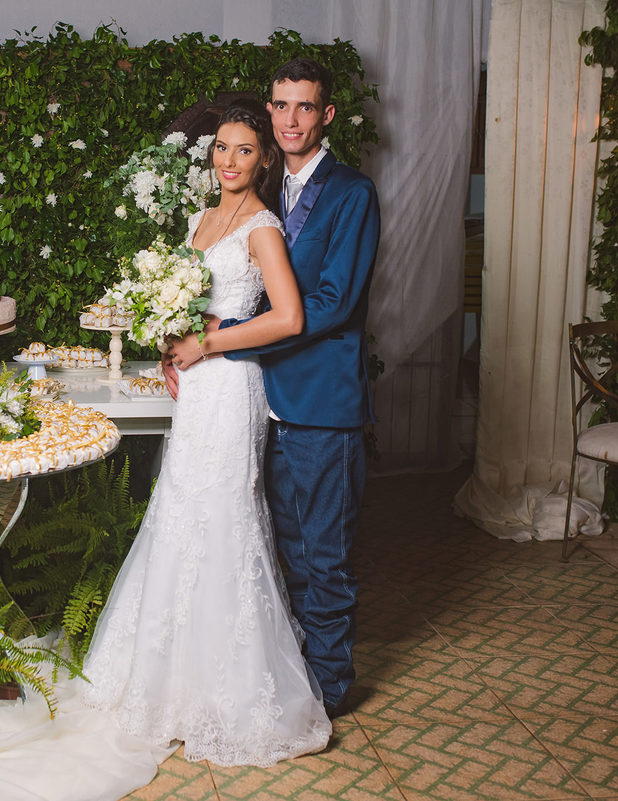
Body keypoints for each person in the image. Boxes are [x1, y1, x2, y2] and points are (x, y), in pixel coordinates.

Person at [82, 100, 332, 767]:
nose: (230, 160)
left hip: (231, 389)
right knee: (179, 513)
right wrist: (171, 345)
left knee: (224, 519)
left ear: (264, 158)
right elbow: (187, 303)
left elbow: (289, 317)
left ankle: (227, 694)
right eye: (222, 147)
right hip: (194, 389)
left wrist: (209, 342)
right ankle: (167, 683)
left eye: (245, 149)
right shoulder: (198, 220)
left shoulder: (263, 227)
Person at [165, 57, 381, 719]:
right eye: (281, 106)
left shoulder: (352, 193)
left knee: (325, 556)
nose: (291, 119)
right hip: (258, 399)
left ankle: (327, 693)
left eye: (304, 106)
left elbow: (332, 302)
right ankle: (289, 678)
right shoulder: (261, 191)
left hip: (321, 403)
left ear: (326, 115)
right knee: (278, 548)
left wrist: (220, 334)